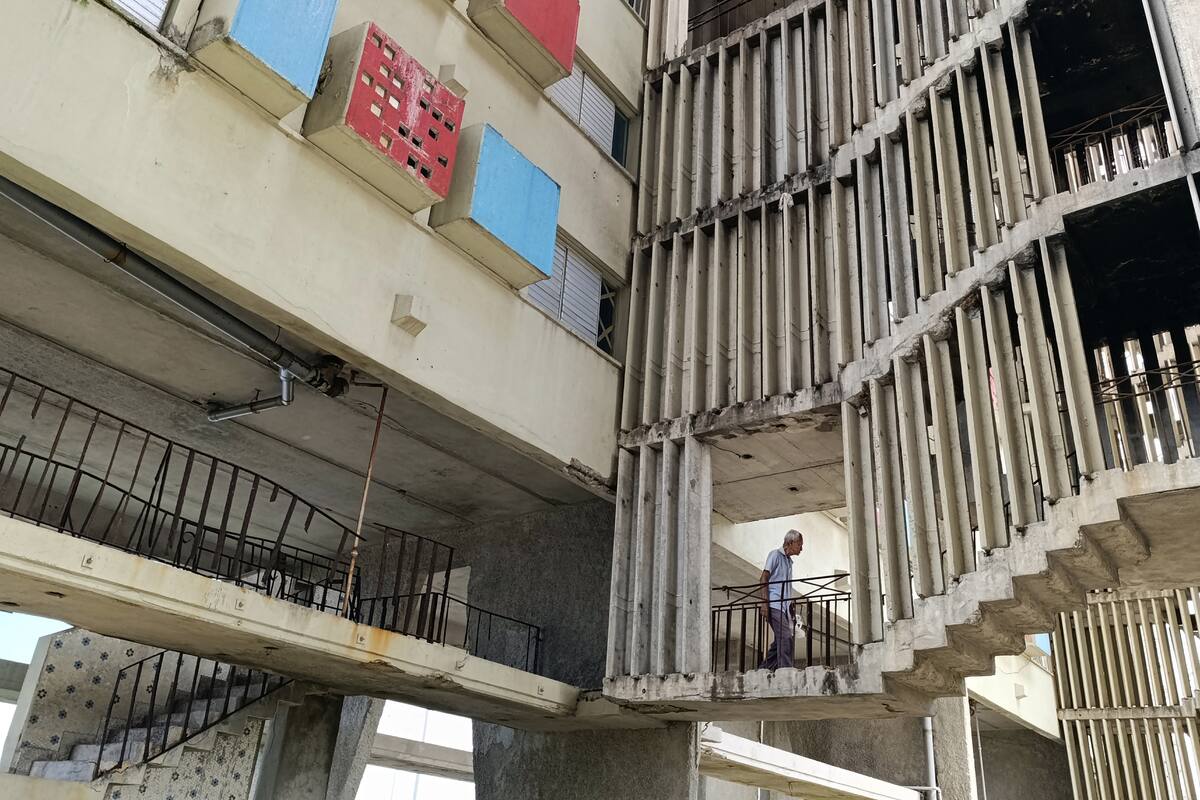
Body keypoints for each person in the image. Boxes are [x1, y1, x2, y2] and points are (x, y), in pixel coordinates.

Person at [759, 529, 803, 669]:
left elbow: (785, 585)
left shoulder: (789, 562)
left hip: (784, 606)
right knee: (785, 637)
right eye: (799, 544)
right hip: (774, 604)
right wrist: (765, 603)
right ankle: (786, 669)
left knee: (780, 640)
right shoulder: (775, 555)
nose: (801, 548)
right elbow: (763, 578)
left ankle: (764, 669)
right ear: (790, 543)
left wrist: (790, 605)